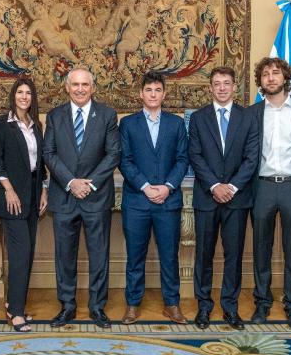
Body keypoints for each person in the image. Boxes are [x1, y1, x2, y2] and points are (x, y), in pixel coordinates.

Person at [43, 67, 121, 328]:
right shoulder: (54, 116)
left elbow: (113, 155)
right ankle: (67, 306)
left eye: (84, 84)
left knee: (99, 254)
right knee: (64, 255)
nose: (79, 89)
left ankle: (97, 307)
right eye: (75, 84)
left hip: (96, 197)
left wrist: (89, 184)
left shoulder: (108, 115)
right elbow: (49, 153)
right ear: (66, 87)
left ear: (93, 87)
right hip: (64, 196)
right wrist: (71, 182)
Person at [188, 66, 259, 330]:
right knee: (203, 255)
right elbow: (195, 155)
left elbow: (252, 157)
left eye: (226, 83)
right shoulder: (197, 118)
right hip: (207, 198)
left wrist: (232, 187)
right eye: (216, 83)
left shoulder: (248, 117)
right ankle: (203, 307)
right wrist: (215, 186)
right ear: (210, 87)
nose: (221, 88)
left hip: (237, 200)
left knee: (234, 256)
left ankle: (230, 308)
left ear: (234, 86)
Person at [247, 57, 291, 329]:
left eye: (276, 73)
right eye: (265, 74)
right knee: (261, 248)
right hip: (261, 186)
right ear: (260, 81)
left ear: (286, 77)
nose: (271, 77)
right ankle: (262, 304)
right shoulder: (252, 113)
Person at [118, 72, 189, 325]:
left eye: (158, 90)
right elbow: (124, 161)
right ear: (141, 93)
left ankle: (172, 304)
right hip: (137, 201)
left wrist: (168, 187)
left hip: (168, 202)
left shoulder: (177, 124)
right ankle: (132, 305)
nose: (153, 94)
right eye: (148, 89)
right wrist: (146, 187)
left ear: (164, 94)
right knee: (135, 256)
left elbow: (183, 159)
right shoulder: (127, 124)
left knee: (169, 256)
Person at [0, 78, 49, 332]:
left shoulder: (37, 126)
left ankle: (17, 306)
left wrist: (44, 189)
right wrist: (9, 191)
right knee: (20, 255)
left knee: (29, 252)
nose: (24, 96)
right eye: (20, 92)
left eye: (28, 93)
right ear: (13, 95)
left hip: (34, 196)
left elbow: (40, 162)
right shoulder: (1, 123)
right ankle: (15, 311)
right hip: (12, 199)